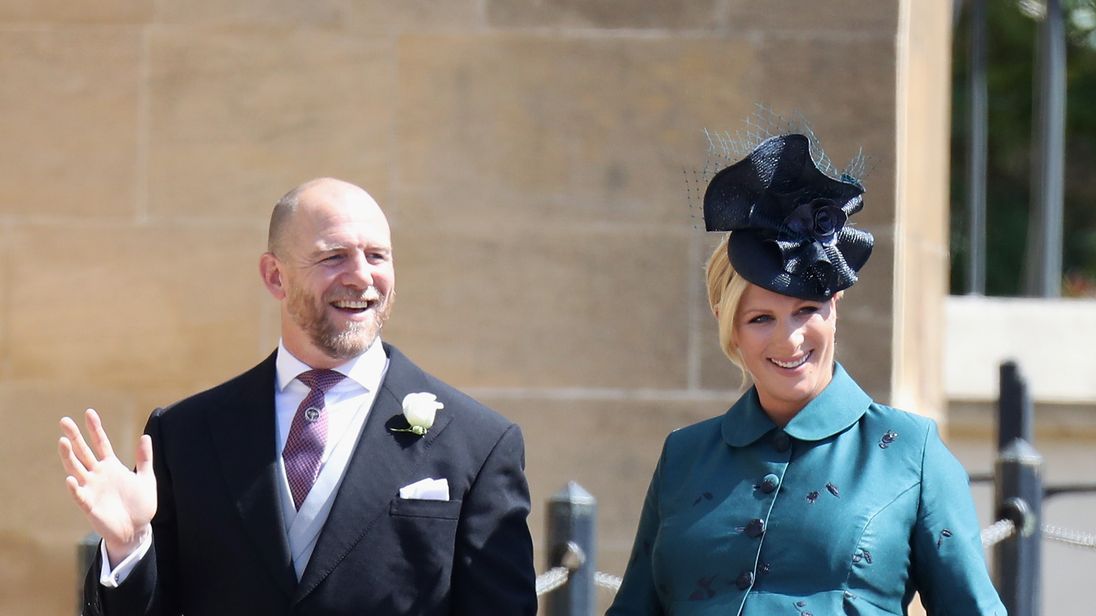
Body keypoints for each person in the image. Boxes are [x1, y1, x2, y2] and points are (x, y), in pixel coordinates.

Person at [58, 177, 537, 615]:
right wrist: (129, 549)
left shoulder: (478, 443)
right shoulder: (186, 434)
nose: (361, 277)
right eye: (334, 257)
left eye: (376, 256)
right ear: (275, 276)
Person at [607, 133, 1006, 615]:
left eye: (806, 310)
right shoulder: (683, 456)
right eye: (761, 319)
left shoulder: (911, 451)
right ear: (726, 321)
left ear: (835, 306)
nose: (789, 340)